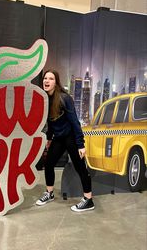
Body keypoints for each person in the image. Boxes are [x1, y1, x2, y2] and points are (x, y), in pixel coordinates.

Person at [36, 69, 95, 212]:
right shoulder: (46, 100)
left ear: (56, 83)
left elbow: (75, 122)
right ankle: (49, 193)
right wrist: (49, 139)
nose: (46, 81)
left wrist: (80, 144)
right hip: (59, 138)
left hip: (71, 138)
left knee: (80, 167)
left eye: (50, 79)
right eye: (45, 78)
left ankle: (88, 200)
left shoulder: (64, 98)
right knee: (48, 163)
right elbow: (51, 122)